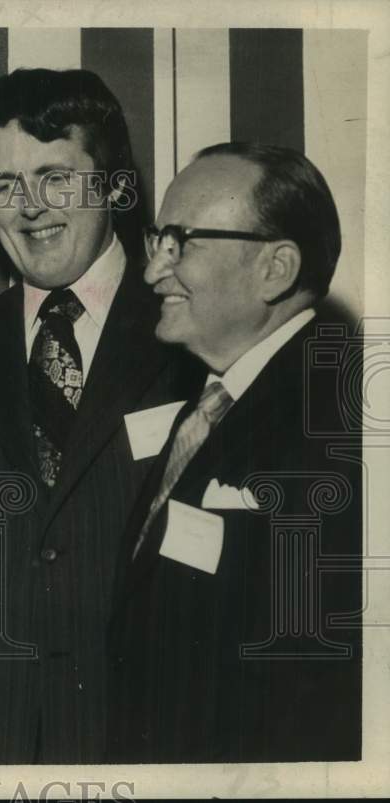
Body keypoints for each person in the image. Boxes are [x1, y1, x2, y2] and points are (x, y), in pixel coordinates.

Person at [0, 68, 202, 764]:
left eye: (55, 177)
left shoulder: (192, 339)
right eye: (5, 185)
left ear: (114, 184)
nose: (30, 207)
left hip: (142, 741)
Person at [106, 142, 362, 762]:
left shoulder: (338, 425)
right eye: (157, 241)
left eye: (182, 243)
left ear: (276, 268)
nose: (153, 272)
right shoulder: (209, 402)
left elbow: (312, 696)